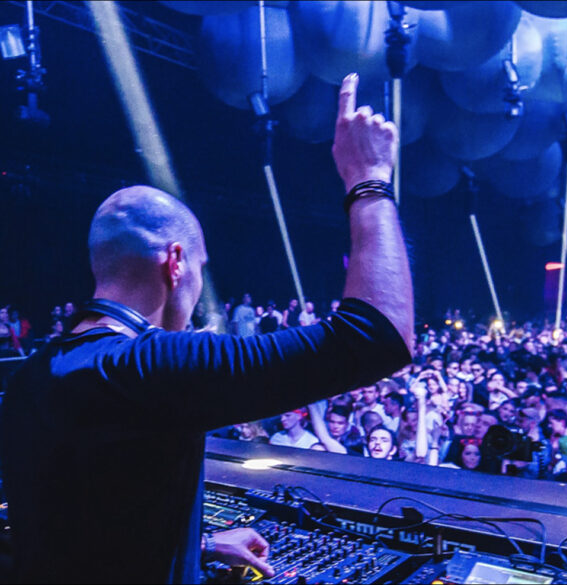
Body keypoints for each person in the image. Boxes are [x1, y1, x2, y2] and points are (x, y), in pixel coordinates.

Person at [0, 73, 413, 583]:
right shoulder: (153, 366)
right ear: (175, 263)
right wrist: (369, 179)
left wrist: (200, 545)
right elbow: (378, 336)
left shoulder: (32, 374)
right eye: (199, 268)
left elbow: (79, 520)